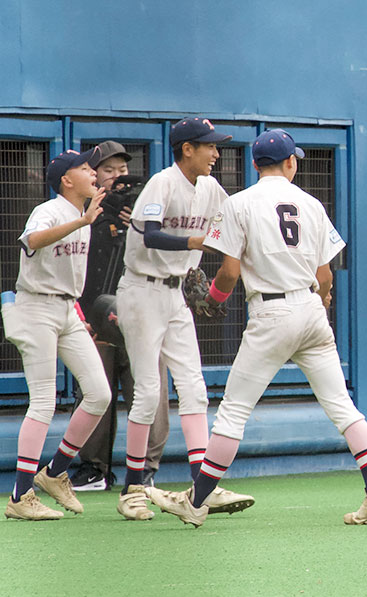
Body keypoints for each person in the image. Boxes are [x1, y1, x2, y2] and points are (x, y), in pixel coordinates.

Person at [145, 129, 367, 526]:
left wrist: (213, 299)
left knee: (233, 412)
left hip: (271, 312)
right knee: (343, 407)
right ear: (291, 163)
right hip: (311, 308)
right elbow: (325, 275)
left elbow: (229, 272)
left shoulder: (240, 203)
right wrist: (323, 300)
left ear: (254, 164)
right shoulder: (311, 203)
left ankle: (195, 504)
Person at [114, 118, 254, 520]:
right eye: (209, 146)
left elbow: (233, 226)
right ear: (186, 148)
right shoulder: (163, 182)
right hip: (141, 290)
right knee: (149, 392)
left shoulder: (211, 188)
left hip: (176, 293)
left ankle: (201, 486)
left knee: (194, 387)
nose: (216, 153)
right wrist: (197, 241)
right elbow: (150, 235)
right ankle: (133, 488)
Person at [2, 148, 112, 520]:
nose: (92, 172)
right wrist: (82, 223)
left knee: (99, 393)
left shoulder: (82, 214)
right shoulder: (48, 210)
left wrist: (78, 313)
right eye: (84, 168)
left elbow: (66, 275)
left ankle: (55, 472)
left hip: (66, 309)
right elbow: (31, 241)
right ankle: (19, 496)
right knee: (44, 402)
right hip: (35, 308)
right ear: (66, 179)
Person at [70, 141, 170, 491]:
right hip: (98, 316)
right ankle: (93, 468)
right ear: (93, 176)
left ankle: (146, 470)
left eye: (122, 171)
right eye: (109, 171)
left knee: (149, 388)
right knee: (97, 389)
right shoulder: (83, 215)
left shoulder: (149, 215)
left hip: (144, 314)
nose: (117, 179)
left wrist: (139, 227)